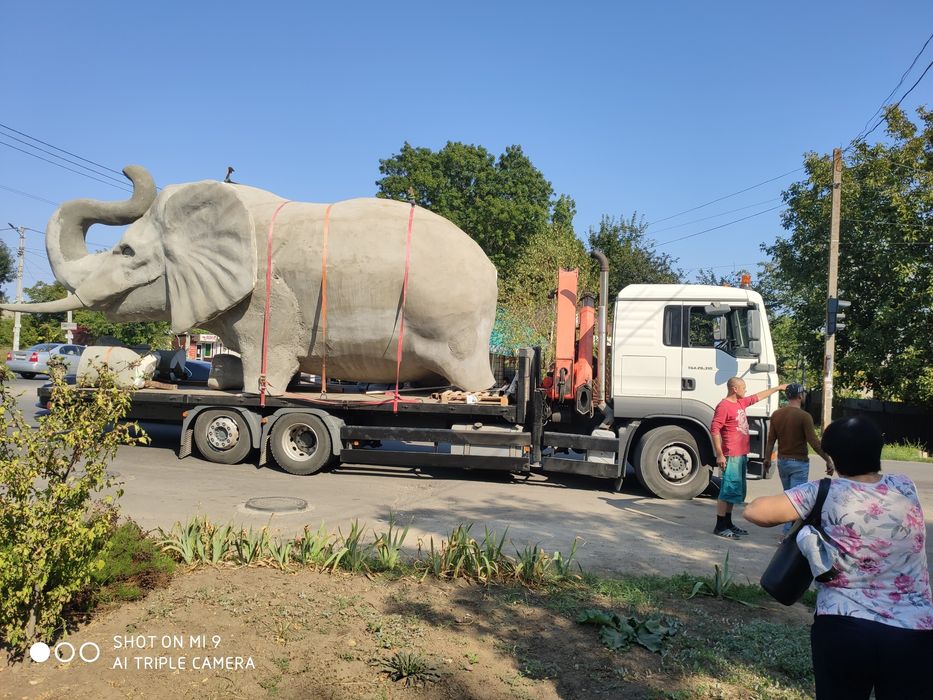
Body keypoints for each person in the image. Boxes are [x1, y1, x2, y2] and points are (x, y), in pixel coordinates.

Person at [745, 416, 933, 699]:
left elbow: (755, 511)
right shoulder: (906, 487)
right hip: (913, 629)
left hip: (844, 627)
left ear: (831, 457)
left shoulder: (823, 491)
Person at [710, 377, 788, 538]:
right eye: (743, 388)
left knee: (734, 491)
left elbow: (758, 396)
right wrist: (719, 454)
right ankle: (719, 526)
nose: (746, 390)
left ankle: (728, 523)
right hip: (731, 454)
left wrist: (778, 388)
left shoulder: (740, 403)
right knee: (727, 490)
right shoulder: (724, 406)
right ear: (734, 389)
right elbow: (715, 430)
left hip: (741, 454)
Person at [763, 383, 834, 537]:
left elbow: (770, 440)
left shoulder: (777, 414)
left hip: (782, 462)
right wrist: (828, 459)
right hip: (799, 463)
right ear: (800, 396)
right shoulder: (804, 416)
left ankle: (787, 532)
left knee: (788, 496)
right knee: (797, 501)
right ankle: (790, 535)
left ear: (787, 396)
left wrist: (767, 459)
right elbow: (814, 442)